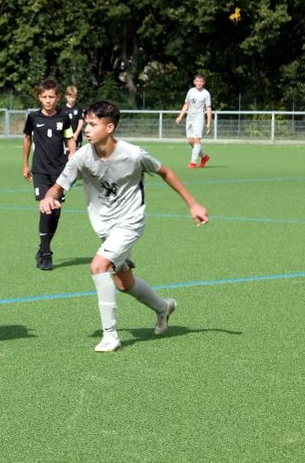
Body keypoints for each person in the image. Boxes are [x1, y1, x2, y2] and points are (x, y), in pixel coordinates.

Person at [39, 101, 209, 352]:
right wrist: (49, 197)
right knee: (123, 283)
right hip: (105, 227)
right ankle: (163, 307)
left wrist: (193, 204)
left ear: (110, 128)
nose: (86, 129)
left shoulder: (133, 154)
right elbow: (59, 186)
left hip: (131, 222)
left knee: (98, 267)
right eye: (87, 123)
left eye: (93, 124)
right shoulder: (82, 157)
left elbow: (165, 172)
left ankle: (111, 336)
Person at [22, 79, 76, 271]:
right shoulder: (33, 117)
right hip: (40, 170)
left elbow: (70, 139)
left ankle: (42, 248)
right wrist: (25, 164)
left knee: (56, 212)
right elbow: (27, 140)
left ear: (57, 97)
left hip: (60, 171)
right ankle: (46, 254)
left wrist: (73, 156)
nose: (47, 100)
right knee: (46, 208)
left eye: (51, 97)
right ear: (39, 97)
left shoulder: (64, 117)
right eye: (44, 97)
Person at [175, 74, 212, 168]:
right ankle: (204, 157)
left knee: (196, 139)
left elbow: (208, 108)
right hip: (190, 118)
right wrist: (180, 116)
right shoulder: (190, 91)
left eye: (201, 81)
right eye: (197, 81)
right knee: (190, 141)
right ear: (194, 82)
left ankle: (193, 163)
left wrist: (208, 123)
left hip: (199, 118)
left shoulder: (206, 93)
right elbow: (186, 104)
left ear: (204, 82)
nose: (199, 83)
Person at [63, 85, 85, 151]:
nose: (72, 99)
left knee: (77, 155)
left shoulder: (79, 108)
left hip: (77, 138)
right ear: (66, 96)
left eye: (74, 97)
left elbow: (81, 122)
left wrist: (76, 134)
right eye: (70, 97)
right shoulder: (61, 110)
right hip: (66, 139)